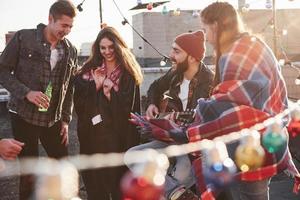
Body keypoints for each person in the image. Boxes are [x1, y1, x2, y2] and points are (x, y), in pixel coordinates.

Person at [184, 2, 300, 200]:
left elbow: (229, 102)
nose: (206, 37)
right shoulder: (254, 44)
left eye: (206, 29)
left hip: (249, 143)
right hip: (271, 137)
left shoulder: (236, 52)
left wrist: (199, 111)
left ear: (216, 25)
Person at [0, 0, 78, 199]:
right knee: (29, 173)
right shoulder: (23, 38)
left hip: (53, 118)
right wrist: (27, 92)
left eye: (70, 26)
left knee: (63, 166)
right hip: (23, 115)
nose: (67, 31)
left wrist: (66, 120)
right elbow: (2, 71)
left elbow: (69, 88)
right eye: (64, 25)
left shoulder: (71, 50)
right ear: (50, 19)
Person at [125, 30, 214, 200]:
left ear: (193, 58)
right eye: (172, 50)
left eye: (177, 51)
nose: (171, 55)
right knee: (131, 156)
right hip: (168, 138)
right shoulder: (175, 74)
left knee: (179, 178)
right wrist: (151, 103)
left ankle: (175, 192)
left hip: (191, 146)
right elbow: (154, 87)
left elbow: (205, 121)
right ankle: (175, 193)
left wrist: (182, 124)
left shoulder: (209, 83)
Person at [73, 26, 143, 200]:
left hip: (118, 137)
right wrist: (95, 86)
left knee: (120, 185)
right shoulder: (89, 70)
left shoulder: (128, 73)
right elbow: (79, 104)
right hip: (94, 137)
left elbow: (129, 107)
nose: (107, 52)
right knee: (96, 185)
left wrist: (109, 92)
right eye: (103, 48)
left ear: (118, 46)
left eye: (111, 47)